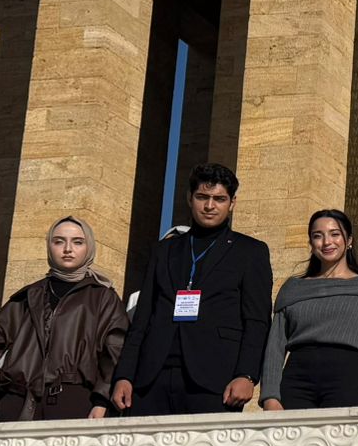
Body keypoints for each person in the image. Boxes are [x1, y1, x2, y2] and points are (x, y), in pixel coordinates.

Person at [112, 163, 273, 416]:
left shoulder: (250, 252)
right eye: (202, 197)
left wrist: (247, 375)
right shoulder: (163, 250)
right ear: (190, 198)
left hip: (214, 379)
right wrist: (124, 375)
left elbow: (257, 320)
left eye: (219, 199)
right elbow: (142, 319)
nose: (210, 206)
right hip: (151, 377)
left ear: (232, 203)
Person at [0, 216, 128, 422]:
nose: (68, 249)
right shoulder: (27, 297)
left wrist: (102, 401)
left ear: (88, 247)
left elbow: (116, 351)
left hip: (77, 402)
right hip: (17, 403)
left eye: (77, 242)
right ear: (49, 246)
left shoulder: (103, 297)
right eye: (59, 241)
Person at [262, 209, 358, 412]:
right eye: (317, 236)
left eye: (334, 234)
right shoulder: (293, 288)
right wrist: (270, 396)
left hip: (349, 380)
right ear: (311, 244)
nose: (326, 242)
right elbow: (275, 347)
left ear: (349, 240)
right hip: (297, 382)